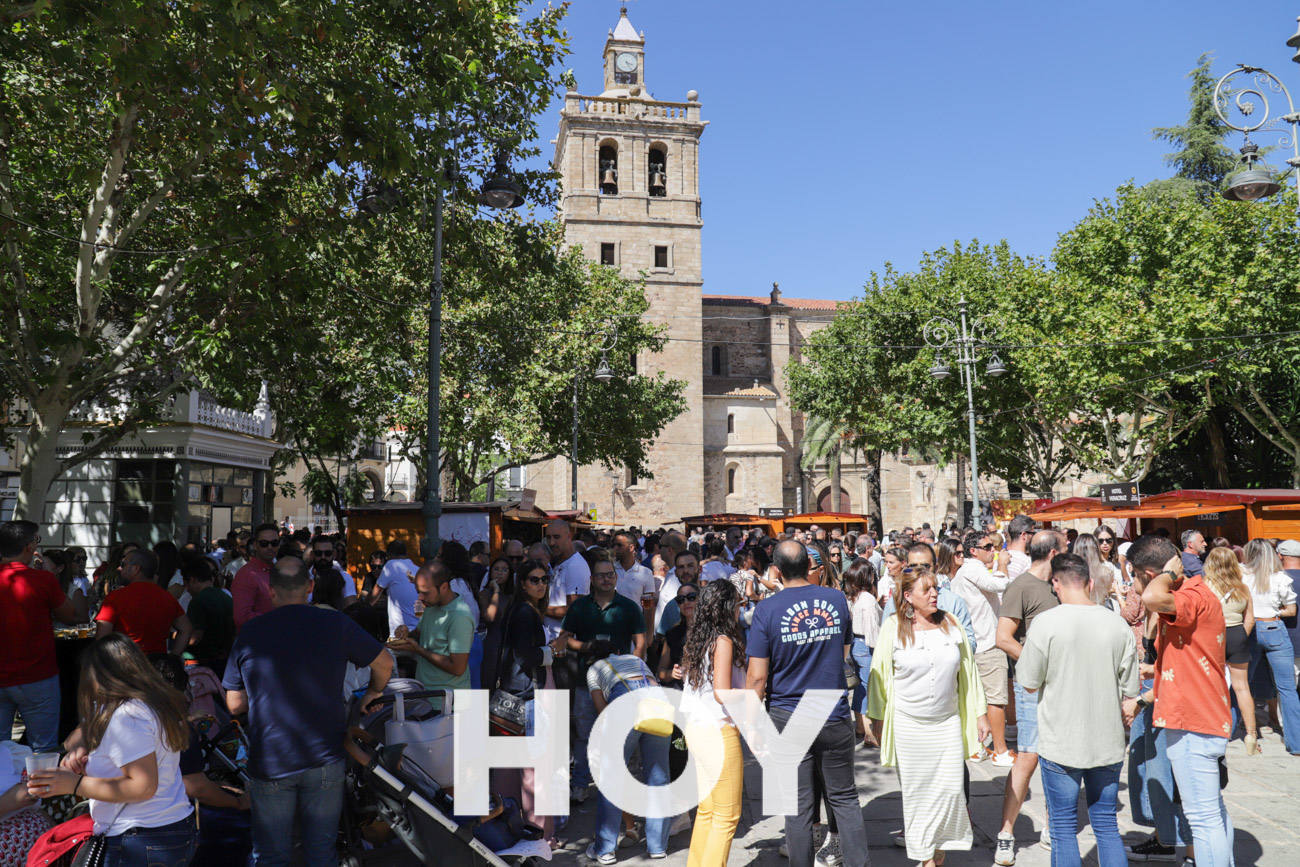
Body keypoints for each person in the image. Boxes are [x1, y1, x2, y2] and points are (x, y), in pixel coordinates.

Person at [225, 557, 393, 865]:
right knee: (321, 853)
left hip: (271, 757)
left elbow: (235, 704)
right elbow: (384, 663)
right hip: (325, 755)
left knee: (272, 856)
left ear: (271, 590)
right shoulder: (336, 624)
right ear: (311, 587)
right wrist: (374, 691)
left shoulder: (250, 632)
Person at [746, 541, 869, 867]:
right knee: (844, 799)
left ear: (776, 571)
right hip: (831, 710)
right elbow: (844, 653)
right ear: (809, 565)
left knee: (797, 807)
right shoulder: (835, 598)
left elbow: (757, 678)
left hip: (788, 713)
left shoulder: (766, 610)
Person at [1016, 553, 1139, 867]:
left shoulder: (1046, 623)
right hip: (1107, 741)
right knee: (1107, 826)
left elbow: (1028, 681)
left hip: (1062, 741)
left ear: (1055, 583)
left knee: (1062, 827)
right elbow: (1130, 689)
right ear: (1091, 582)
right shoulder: (1116, 624)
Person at [30, 633, 195, 865]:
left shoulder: (129, 715)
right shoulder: (147, 704)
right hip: (161, 831)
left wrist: (74, 784)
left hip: (140, 838)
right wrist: (88, 761)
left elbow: (143, 785)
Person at [868, 567, 988, 867]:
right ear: (908, 596)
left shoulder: (952, 622)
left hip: (946, 724)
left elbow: (968, 672)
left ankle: (937, 851)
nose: (935, 594)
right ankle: (926, 859)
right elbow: (879, 676)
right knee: (918, 796)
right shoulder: (893, 627)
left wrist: (980, 712)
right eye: (927, 590)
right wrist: (875, 719)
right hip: (909, 726)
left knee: (950, 791)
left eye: (935, 588)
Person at [1137, 535, 1233, 867]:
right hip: (1203, 714)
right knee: (1213, 814)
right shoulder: (1198, 593)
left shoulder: (1188, 594)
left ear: (1149, 574)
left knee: (1203, 820)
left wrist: (1168, 574)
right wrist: (1154, 672)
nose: (1134, 587)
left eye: (1135, 577)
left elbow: (1151, 597)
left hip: (1192, 719)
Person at [994, 529, 1065, 865]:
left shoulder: (1062, 585)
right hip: (1032, 687)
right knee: (1028, 757)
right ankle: (1006, 833)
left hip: (1062, 686)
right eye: (1063, 549)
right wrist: (1036, 663)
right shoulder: (1021, 586)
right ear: (1052, 553)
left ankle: (1053, 828)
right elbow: (1004, 637)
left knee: (1058, 757)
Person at [554, 550, 646, 802]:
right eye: (601, 576)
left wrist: (634, 669)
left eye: (610, 575)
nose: (606, 580)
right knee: (585, 735)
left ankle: (617, 785)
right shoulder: (580, 607)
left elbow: (640, 641)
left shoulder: (628, 607)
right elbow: (564, 639)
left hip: (618, 683)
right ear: (592, 579)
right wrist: (587, 646)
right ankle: (581, 784)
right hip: (586, 680)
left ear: (616, 578)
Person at [583, 643, 671, 864]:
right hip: (657, 703)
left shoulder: (594, 669)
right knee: (658, 776)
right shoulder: (635, 660)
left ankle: (604, 849)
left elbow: (602, 710)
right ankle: (658, 846)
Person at [681, 579, 748, 867]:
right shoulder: (722, 640)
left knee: (708, 810)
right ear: (727, 607)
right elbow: (722, 693)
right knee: (727, 815)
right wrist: (752, 694)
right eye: (738, 603)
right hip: (717, 731)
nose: (740, 609)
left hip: (697, 728)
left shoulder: (700, 639)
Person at [0, 520, 81, 754]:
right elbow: (70, 615)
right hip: (37, 676)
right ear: (28, 546)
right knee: (42, 750)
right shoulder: (43, 580)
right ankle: (39, 791)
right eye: (37, 541)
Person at [949, 529, 1013, 766]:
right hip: (986, 643)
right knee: (995, 700)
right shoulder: (973, 569)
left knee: (978, 700)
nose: (993, 551)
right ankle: (1000, 750)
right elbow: (999, 584)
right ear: (973, 551)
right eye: (987, 547)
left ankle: (979, 747)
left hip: (977, 642)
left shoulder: (965, 572)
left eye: (993, 547)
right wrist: (1003, 564)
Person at [1242, 538, 1300, 754]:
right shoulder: (1280, 578)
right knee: (1287, 688)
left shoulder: (1244, 577)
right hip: (1273, 627)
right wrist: (1274, 612)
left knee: (1241, 684)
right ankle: (1296, 742)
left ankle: (1235, 730)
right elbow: (1291, 610)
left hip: (1250, 629)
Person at [1201, 547, 1259, 754]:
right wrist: (1241, 635)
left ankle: (1212, 729)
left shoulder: (1205, 586)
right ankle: (1251, 734)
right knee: (1242, 687)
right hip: (1237, 634)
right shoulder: (1242, 588)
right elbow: (1250, 618)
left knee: (1210, 686)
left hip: (1212, 636)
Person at [388, 563, 475, 700]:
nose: (420, 598)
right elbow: (421, 634)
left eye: (425, 592)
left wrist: (418, 650)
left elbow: (458, 668)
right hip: (426, 695)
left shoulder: (460, 616)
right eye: (418, 592)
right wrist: (406, 634)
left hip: (448, 702)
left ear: (444, 587)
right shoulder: (431, 605)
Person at [95, 550, 193, 656]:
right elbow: (186, 629)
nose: (119, 568)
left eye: (123, 564)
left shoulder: (115, 597)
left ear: (136, 568)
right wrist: (173, 657)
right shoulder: (167, 597)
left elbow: (102, 638)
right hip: (156, 666)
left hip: (125, 664)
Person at [842, 557, 882, 748]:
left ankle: (860, 726)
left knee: (860, 687)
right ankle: (868, 731)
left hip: (856, 644)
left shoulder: (856, 598)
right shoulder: (868, 600)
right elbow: (872, 632)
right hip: (866, 645)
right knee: (866, 687)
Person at [182, 554, 235, 674]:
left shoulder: (197, 601)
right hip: (226, 659)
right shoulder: (225, 596)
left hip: (204, 662)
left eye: (186, 584)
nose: (186, 589)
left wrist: (177, 636)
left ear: (192, 580)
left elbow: (195, 638)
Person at [544, 519, 592, 641]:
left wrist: (539, 608)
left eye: (556, 537)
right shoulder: (558, 562)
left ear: (569, 536)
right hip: (552, 641)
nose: (551, 542)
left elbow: (574, 610)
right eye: (548, 537)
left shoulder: (576, 566)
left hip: (564, 645)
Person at [370, 538, 420, 638]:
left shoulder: (391, 565)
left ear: (389, 555)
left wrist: (365, 608)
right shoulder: (417, 569)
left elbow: (376, 592)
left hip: (399, 633)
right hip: (418, 632)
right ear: (406, 553)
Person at [232, 522, 279, 628]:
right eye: (264, 543)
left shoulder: (279, 570)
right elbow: (241, 617)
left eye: (274, 543)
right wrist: (277, 620)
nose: (270, 547)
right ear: (255, 545)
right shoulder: (247, 575)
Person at [657, 581, 698, 688]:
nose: (686, 602)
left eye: (691, 597)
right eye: (680, 600)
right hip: (678, 693)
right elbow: (661, 672)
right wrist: (672, 673)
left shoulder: (711, 631)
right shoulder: (672, 634)